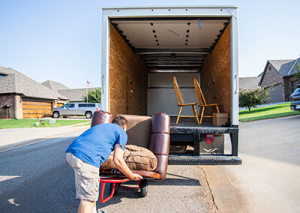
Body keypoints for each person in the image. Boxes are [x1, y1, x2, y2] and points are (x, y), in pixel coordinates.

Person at [66, 116, 143, 213]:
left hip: (71, 153)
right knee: (88, 200)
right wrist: (131, 175)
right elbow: (118, 160)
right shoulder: (121, 132)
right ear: (124, 127)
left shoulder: (102, 127)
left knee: (89, 197)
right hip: (87, 158)